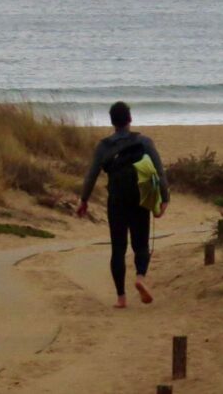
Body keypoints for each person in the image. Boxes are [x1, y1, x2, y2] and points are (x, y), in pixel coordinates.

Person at [77, 101, 170, 309]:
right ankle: (140, 278)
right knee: (141, 244)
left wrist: (84, 200)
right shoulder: (144, 142)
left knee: (118, 248)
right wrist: (164, 198)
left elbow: (91, 176)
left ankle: (121, 298)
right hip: (139, 198)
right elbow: (159, 171)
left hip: (116, 200)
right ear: (130, 119)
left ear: (112, 122)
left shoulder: (103, 147)